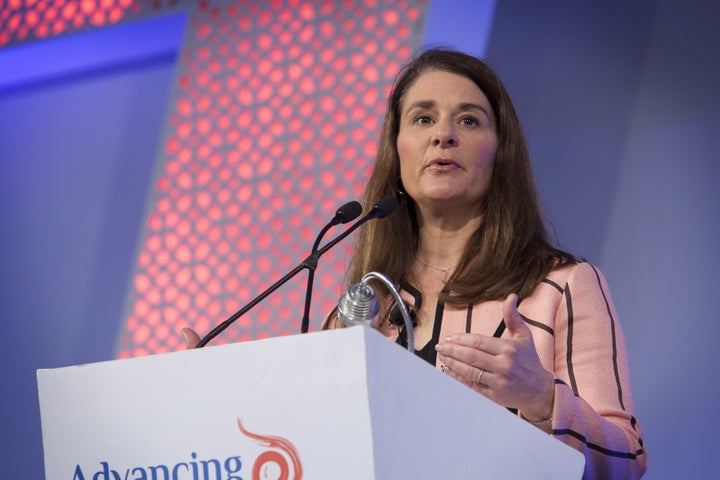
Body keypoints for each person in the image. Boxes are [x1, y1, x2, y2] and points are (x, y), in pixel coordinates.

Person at [183, 48, 647, 479]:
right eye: (423, 118)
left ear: (499, 152)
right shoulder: (361, 311)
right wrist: (213, 393)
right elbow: (300, 448)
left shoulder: (561, 287)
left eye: (468, 120)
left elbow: (628, 460)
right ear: (398, 148)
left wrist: (542, 399)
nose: (443, 134)